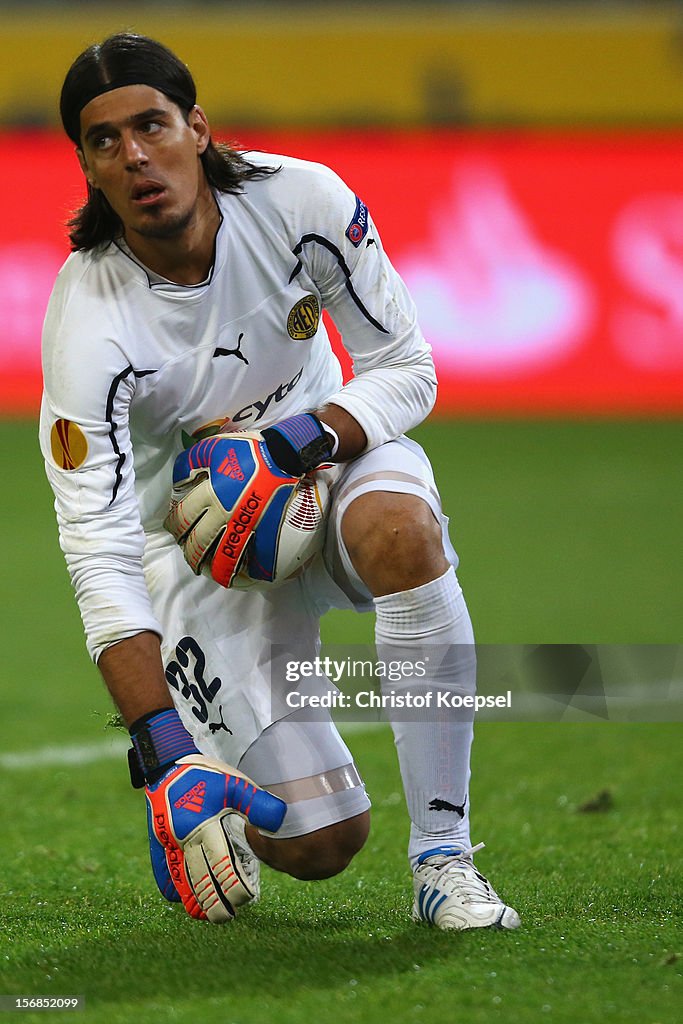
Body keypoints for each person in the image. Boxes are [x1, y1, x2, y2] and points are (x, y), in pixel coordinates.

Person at [40, 32, 520, 931]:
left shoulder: (300, 200)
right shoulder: (88, 326)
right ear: (88, 167)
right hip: (197, 553)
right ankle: (212, 783)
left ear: (196, 127)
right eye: (106, 141)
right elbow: (96, 545)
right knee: (317, 843)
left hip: (323, 469)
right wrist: (160, 749)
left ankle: (444, 861)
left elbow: (406, 368)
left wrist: (292, 443)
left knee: (403, 535)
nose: (136, 154)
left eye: (151, 124)